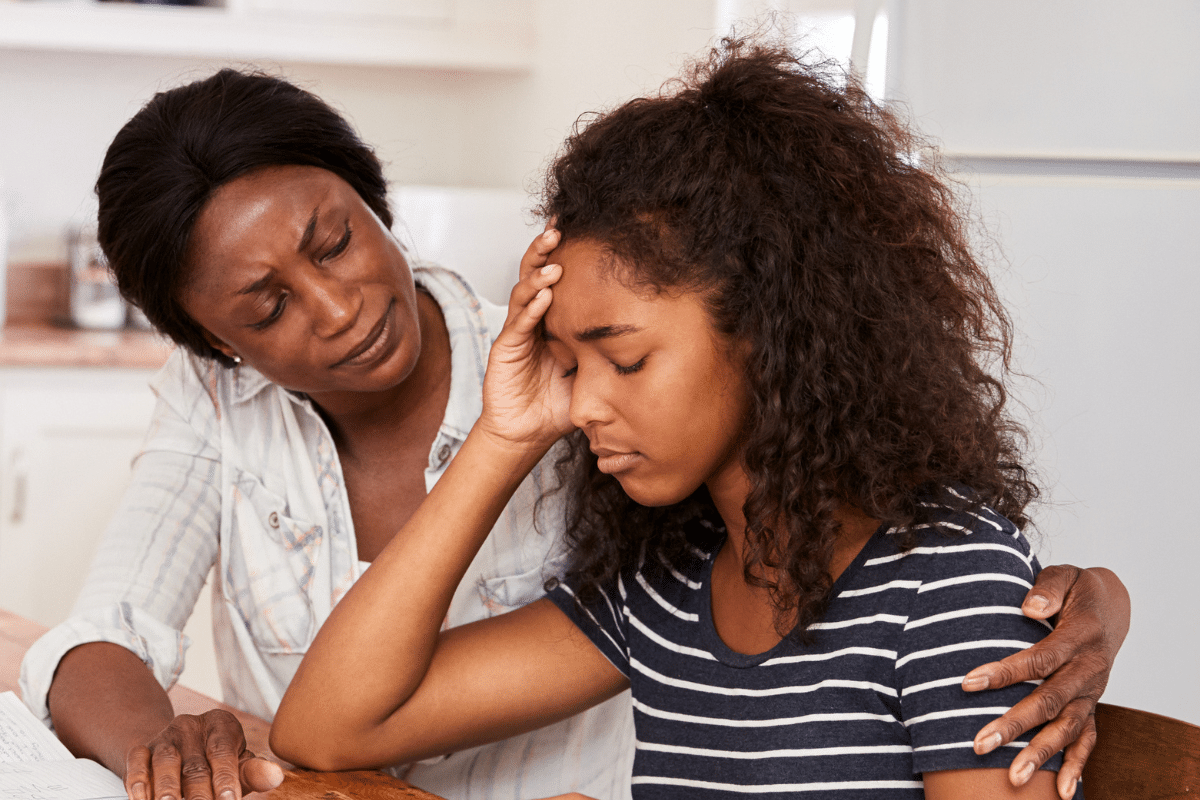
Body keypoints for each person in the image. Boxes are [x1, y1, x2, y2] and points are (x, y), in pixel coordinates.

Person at [21, 62, 1121, 800]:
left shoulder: (940, 582)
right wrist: (504, 439)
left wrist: (1088, 593)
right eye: (264, 307)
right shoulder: (664, 580)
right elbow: (323, 725)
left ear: (774, 328)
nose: (582, 406)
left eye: (622, 360)